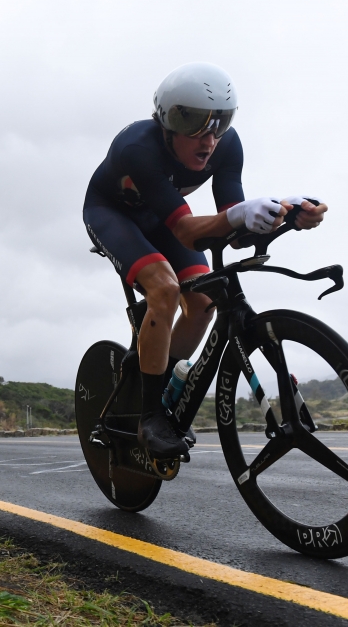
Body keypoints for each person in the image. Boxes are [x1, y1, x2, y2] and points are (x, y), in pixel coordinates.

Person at [82, 62, 327, 458]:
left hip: (162, 219)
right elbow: (185, 230)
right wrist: (237, 215)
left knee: (203, 302)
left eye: (220, 122)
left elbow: (231, 228)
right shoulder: (138, 148)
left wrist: (286, 213)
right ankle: (150, 417)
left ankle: (156, 384)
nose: (209, 138)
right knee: (164, 288)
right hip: (113, 215)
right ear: (166, 121)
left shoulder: (228, 146)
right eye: (194, 122)